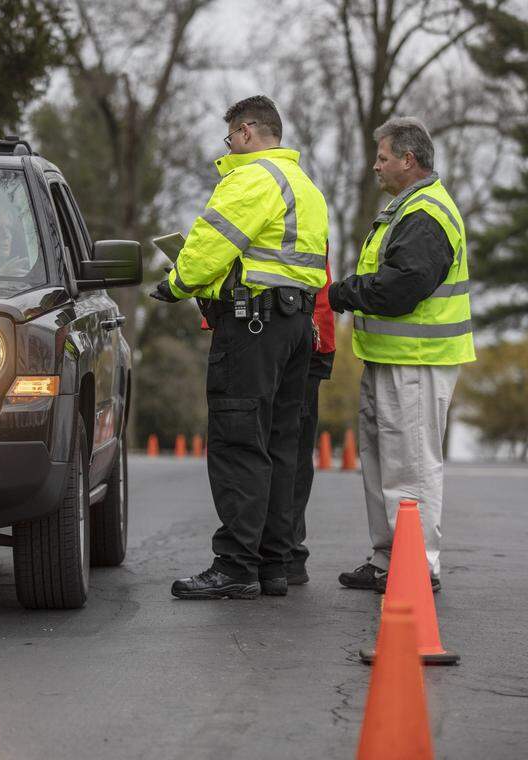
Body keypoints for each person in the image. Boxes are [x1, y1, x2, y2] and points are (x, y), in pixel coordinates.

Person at [151, 95, 329, 600]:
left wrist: (176, 282)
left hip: (253, 328)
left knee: (238, 442)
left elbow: (210, 246)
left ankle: (234, 566)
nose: (228, 146)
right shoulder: (306, 186)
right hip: (296, 326)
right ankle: (275, 565)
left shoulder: (252, 178)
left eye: (230, 137)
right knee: (279, 445)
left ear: (248, 131)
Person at [329, 117, 475, 593]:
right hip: (394, 357)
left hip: (417, 360)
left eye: (383, 157)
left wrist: (342, 294)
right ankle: (388, 558)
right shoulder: (406, 208)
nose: (376, 166)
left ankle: (417, 565)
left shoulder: (425, 213)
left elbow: (402, 287)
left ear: (408, 160)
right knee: (382, 464)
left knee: (410, 466)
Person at [289, 258, 336, 585]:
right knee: (293, 450)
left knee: (286, 449)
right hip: (309, 334)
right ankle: (287, 553)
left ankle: (284, 552)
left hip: (296, 335)